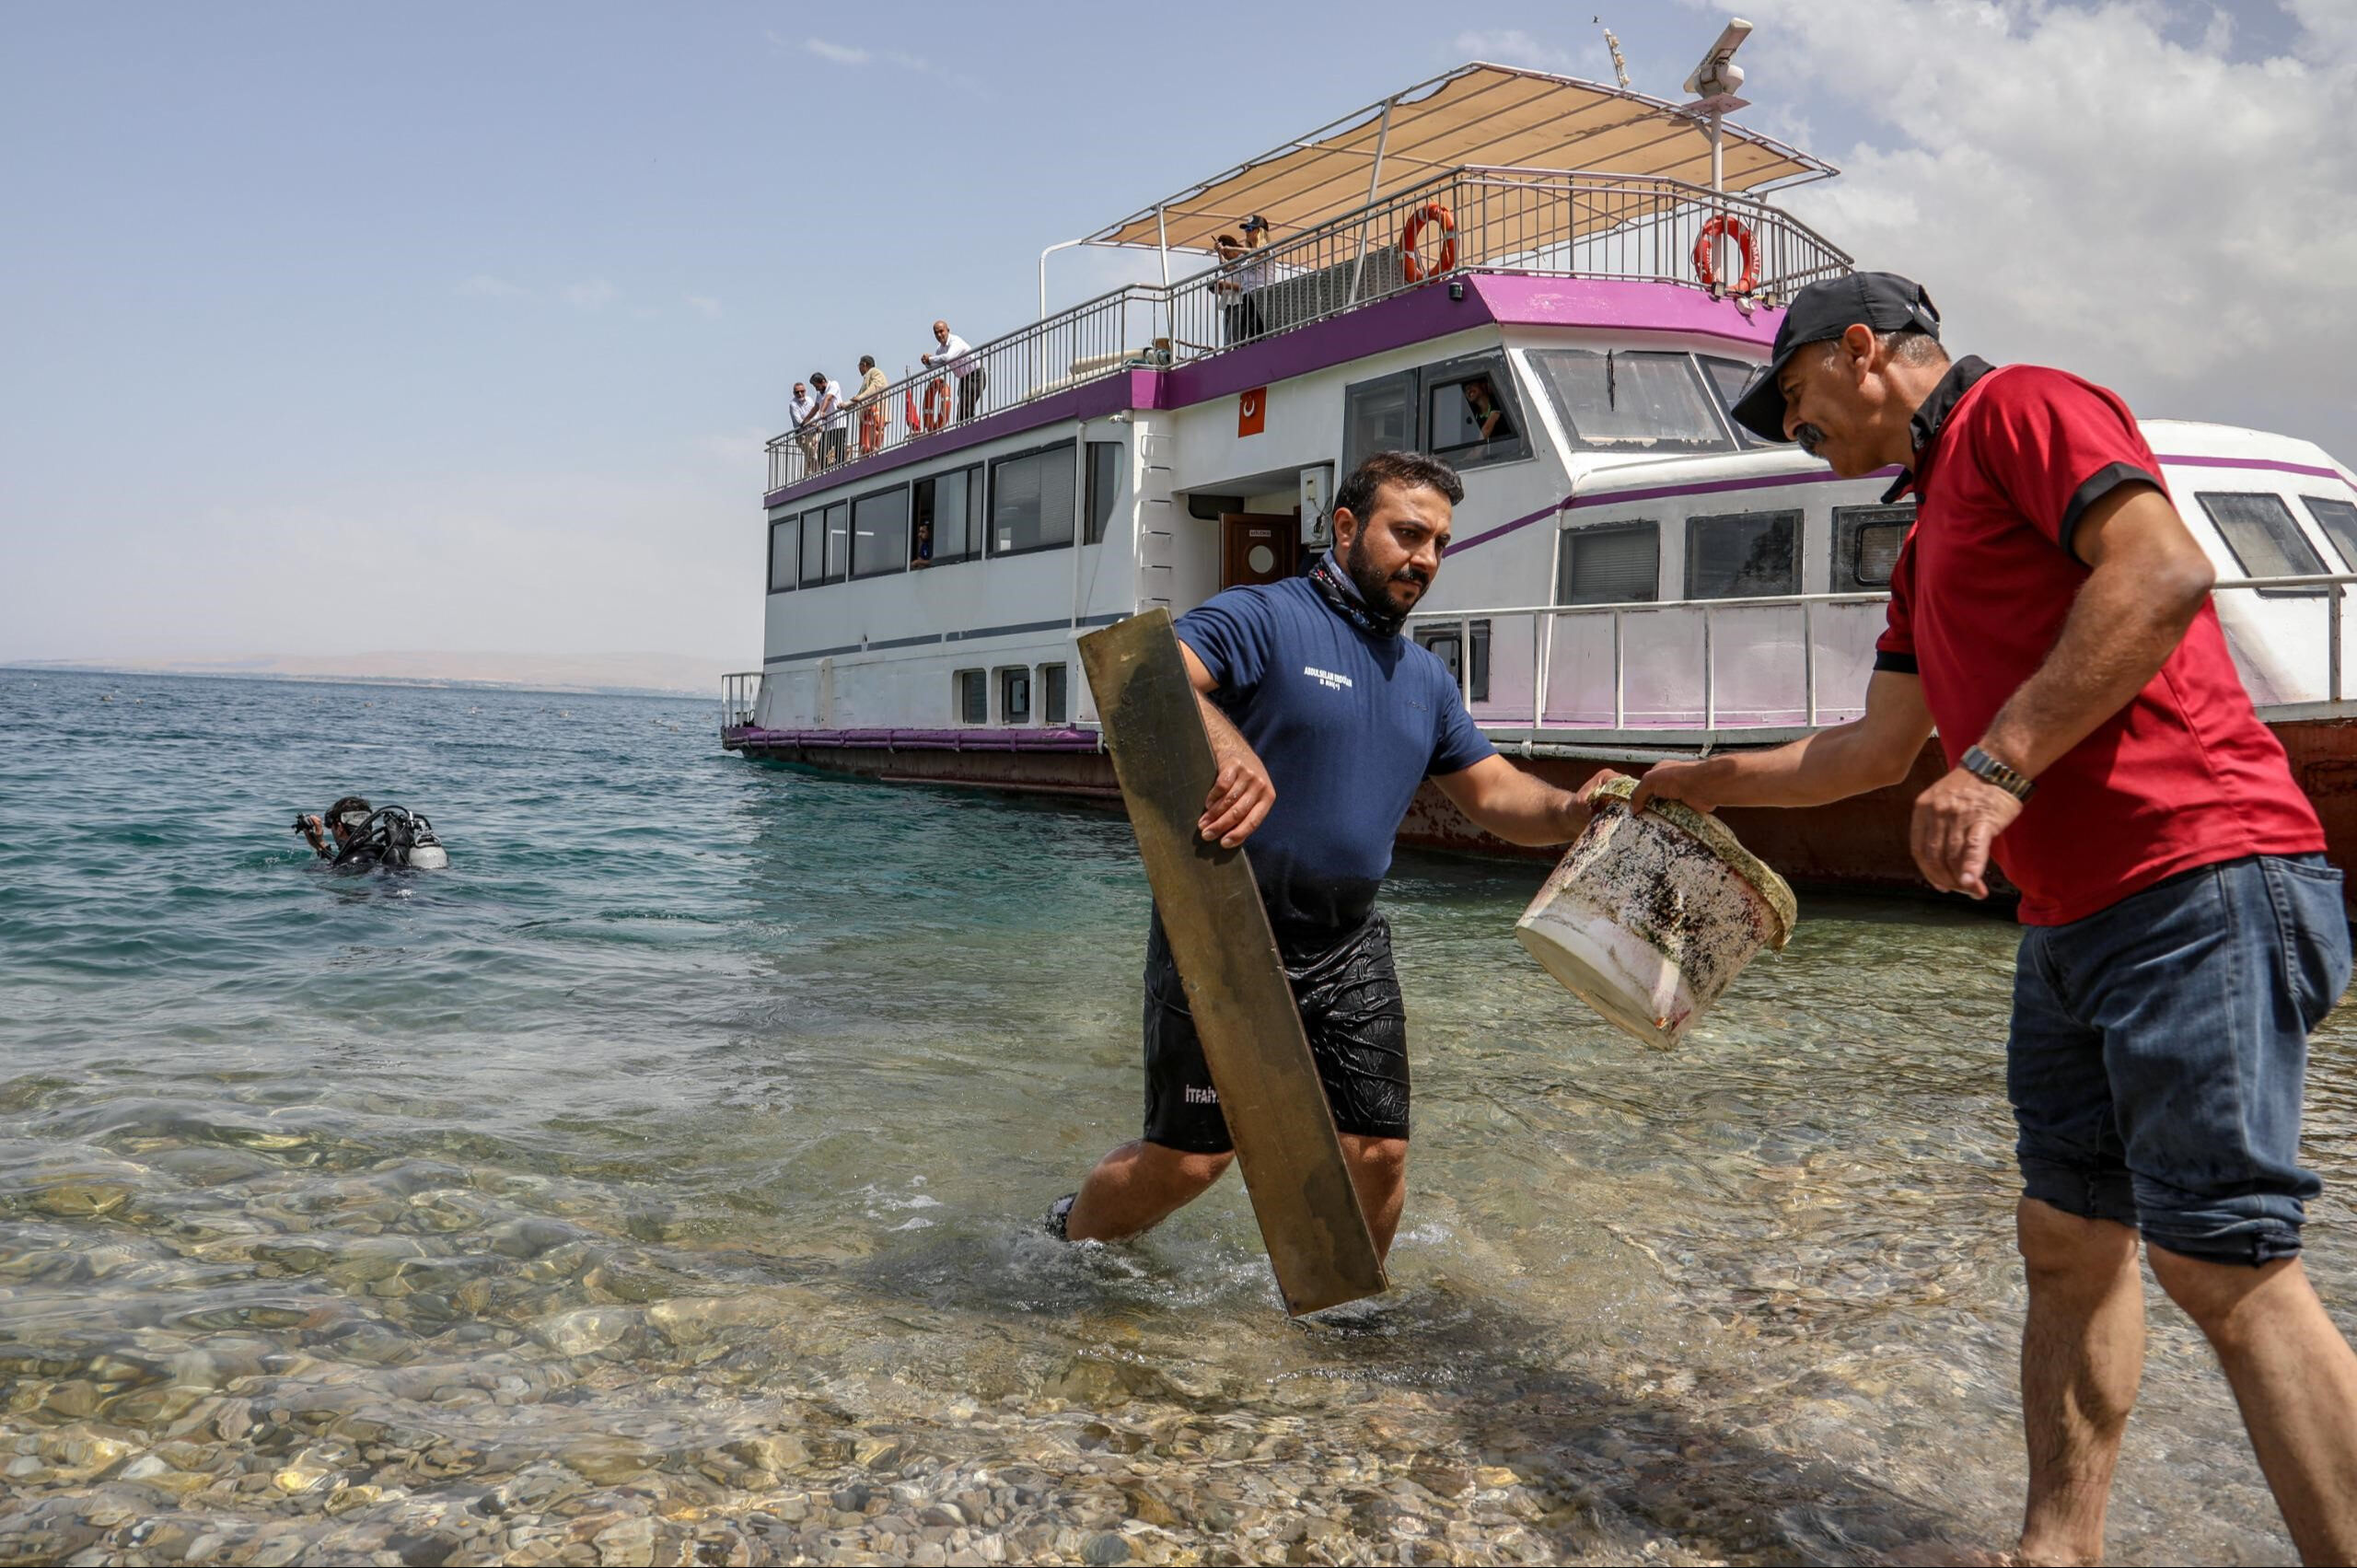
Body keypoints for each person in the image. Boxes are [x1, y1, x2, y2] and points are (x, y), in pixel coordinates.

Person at [1618, 272, 2357, 1565]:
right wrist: (1704, 777)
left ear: (1861, 351)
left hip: (2201, 873)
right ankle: (2054, 1548)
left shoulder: (2023, 407)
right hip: (2071, 923)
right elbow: (1875, 747)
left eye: (1795, 404)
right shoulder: (1920, 538)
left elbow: (2163, 566)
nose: (1802, 439)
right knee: (2067, 1236)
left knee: (2225, 1260)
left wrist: (1999, 762)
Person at [1050, 450, 1596, 1260]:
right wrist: (1228, 748)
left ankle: (1338, 1324)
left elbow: (1496, 796)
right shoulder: (1265, 616)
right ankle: (1068, 1237)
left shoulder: (1424, 678)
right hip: (1225, 927)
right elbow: (1145, 675)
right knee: (1193, 1161)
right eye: (1407, 533)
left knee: (1377, 1153)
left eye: (1440, 542)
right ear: (1345, 526)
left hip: (1345, 941)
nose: (1425, 559)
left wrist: (1577, 810)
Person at [296, 796, 444, 869]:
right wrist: (320, 844)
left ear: (339, 827)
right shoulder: (383, 851)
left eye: (332, 827)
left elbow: (326, 873)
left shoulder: (350, 862)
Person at [1211, 225, 1271, 345]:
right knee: (1245, 336)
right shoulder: (1243, 257)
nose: (1246, 232)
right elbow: (1226, 268)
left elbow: (1257, 252)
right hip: (1245, 298)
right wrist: (1219, 252)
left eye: (1249, 229)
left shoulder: (1267, 249)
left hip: (1259, 295)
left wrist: (1233, 249)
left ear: (1258, 231)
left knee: (1238, 338)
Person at [921, 320, 985, 423]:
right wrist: (927, 362)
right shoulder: (940, 349)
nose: (939, 335)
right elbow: (935, 365)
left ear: (948, 330)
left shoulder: (955, 341)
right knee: (964, 407)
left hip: (975, 376)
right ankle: (965, 429)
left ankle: (965, 431)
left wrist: (931, 359)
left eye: (941, 331)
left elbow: (948, 358)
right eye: (936, 333)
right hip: (964, 379)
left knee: (965, 406)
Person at [808, 371, 848, 469]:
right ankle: (829, 469)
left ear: (822, 382)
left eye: (816, 386)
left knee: (838, 449)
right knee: (821, 451)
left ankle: (840, 468)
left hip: (838, 424)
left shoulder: (833, 385)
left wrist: (823, 411)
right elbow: (816, 407)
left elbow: (828, 398)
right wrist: (806, 420)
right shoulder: (819, 394)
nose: (816, 388)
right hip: (828, 427)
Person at [854, 354, 889, 457]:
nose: (859, 369)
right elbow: (858, 396)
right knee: (868, 447)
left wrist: (861, 398)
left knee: (873, 444)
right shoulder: (867, 377)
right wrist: (846, 405)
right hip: (868, 418)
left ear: (864, 365)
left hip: (875, 415)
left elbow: (875, 386)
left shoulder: (874, 372)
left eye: (859, 366)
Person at [788, 380, 819, 472]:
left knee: (810, 455)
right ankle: (818, 473)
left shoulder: (809, 399)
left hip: (813, 433)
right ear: (794, 393)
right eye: (797, 392)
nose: (800, 394)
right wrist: (811, 422)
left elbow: (816, 413)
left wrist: (813, 422)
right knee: (812, 454)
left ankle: (807, 477)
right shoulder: (793, 404)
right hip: (802, 435)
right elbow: (799, 421)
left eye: (802, 391)